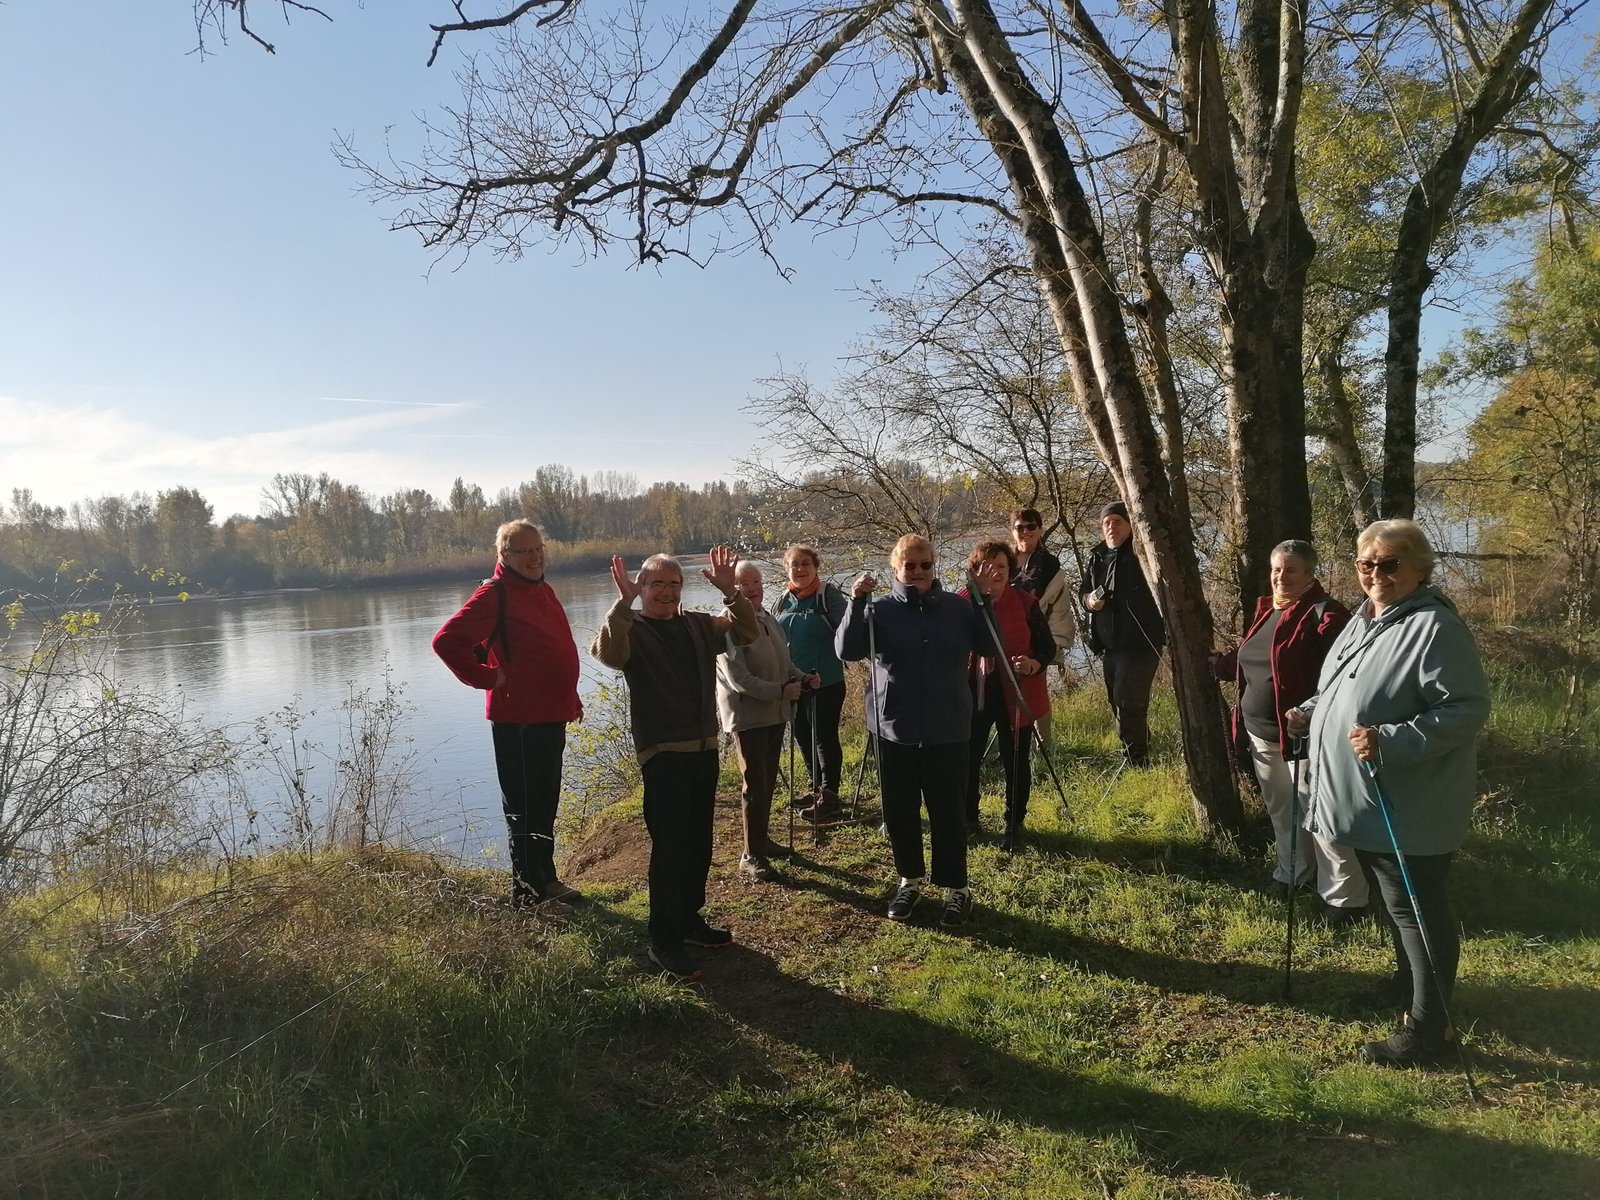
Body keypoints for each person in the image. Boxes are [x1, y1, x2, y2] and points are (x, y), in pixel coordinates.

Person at [1288, 519, 1490, 1067]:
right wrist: (1311, 712)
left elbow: (1466, 708)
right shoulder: (1365, 620)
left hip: (1409, 801)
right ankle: (1409, 989)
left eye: (1390, 564)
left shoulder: (1434, 627)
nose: (1376, 573)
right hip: (1368, 801)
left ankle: (1431, 1031)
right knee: (1393, 902)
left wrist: (1393, 740)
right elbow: (1339, 688)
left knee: (1416, 907)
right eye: (1366, 564)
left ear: (1420, 568)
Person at [592, 546, 758, 981]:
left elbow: (746, 634)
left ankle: (688, 920)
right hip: (662, 755)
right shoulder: (632, 629)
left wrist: (731, 594)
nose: (666, 592)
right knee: (669, 848)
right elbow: (608, 654)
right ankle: (663, 941)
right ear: (642, 587)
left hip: (703, 750)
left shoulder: (699, 625)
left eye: (674, 584)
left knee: (698, 842)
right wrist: (622, 604)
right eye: (656, 584)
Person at [836, 534, 999, 927]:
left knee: (949, 812)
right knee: (900, 811)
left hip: (948, 727)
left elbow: (991, 646)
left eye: (925, 564)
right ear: (896, 568)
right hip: (895, 729)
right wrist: (855, 603)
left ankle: (956, 889)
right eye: (910, 565)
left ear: (934, 565)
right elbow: (846, 650)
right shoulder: (879, 610)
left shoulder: (959, 609)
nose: (919, 572)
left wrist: (983, 599)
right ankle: (908, 880)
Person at [1211, 540, 1367, 922]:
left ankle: (1345, 898)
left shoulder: (1326, 615)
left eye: (1291, 570)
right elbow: (1250, 662)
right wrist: (1213, 661)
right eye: (1276, 569)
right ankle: (1294, 872)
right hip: (1261, 733)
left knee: (1321, 816)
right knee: (1283, 812)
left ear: (1311, 574)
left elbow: (1349, 676)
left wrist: (1310, 712)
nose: (1281, 577)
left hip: (1307, 736)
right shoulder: (1267, 611)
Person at [432, 519, 584, 909]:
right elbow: (446, 641)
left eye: (539, 549)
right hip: (519, 719)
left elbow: (554, 651)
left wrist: (571, 697)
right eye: (524, 551)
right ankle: (528, 897)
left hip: (549, 713)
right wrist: (488, 677)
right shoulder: (495, 594)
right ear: (503, 556)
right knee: (525, 807)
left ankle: (546, 881)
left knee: (545, 801)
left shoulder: (540, 588)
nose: (535, 557)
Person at [716, 560, 806, 882]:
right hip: (748, 715)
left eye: (755, 583)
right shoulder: (728, 626)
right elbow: (740, 679)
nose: (752, 590)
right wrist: (782, 690)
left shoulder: (768, 618)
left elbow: (784, 660)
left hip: (773, 712)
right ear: (732, 590)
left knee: (766, 779)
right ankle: (751, 855)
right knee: (755, 783)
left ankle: (762, 840)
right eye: (743, 585)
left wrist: (801, 676)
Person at [962, 540, 1055, 852]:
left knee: (1016, 760)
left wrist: (1032, 663)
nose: (994, 573)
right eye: (986, 567)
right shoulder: (962, 603)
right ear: (975, 571)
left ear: (1010, 570)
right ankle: (968, 819)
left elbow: (1046, 648)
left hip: (1015, 693)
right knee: (968, 758)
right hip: (972, 692)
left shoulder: (1026, 602)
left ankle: (1013, 826)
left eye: (1001, 566)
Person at [1080, 500, 1167, 765]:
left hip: (1140, 645)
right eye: (1106, 523)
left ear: (1130, 525)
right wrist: (1090, 603)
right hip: (1110, 647)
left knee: (1128, 701)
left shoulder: (1141, 554)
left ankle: (1136, 759)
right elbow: (1083, 593)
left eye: (1117, 522)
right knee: (1117, 703)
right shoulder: (1097, 557)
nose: (1111, 528)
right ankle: (1138, 746)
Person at [770, 544, 848, 823]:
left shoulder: (828, 596)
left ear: (816, 566)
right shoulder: (782, 600)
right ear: (786, 569)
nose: (800, 569)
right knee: (803, 735)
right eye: (795, 565)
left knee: (824, 737)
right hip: (794, 682)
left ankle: (831, 797)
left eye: (806, 564)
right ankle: (816, 789)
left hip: (825, 681)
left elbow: (850, 632)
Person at [1010, 507, 1077, 744]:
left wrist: (1057, 641)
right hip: (1007, 634)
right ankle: (1013, 743)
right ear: (1013, 531)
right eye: (1020, 527)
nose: (1025, 532)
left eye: (1031, 527)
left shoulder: (1048, 564)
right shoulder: (1004, 561)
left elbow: (1059, 603)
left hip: (1038, 636)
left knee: (1036, 691)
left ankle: (1045, 745)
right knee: (1007, 693)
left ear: (1039, 530)